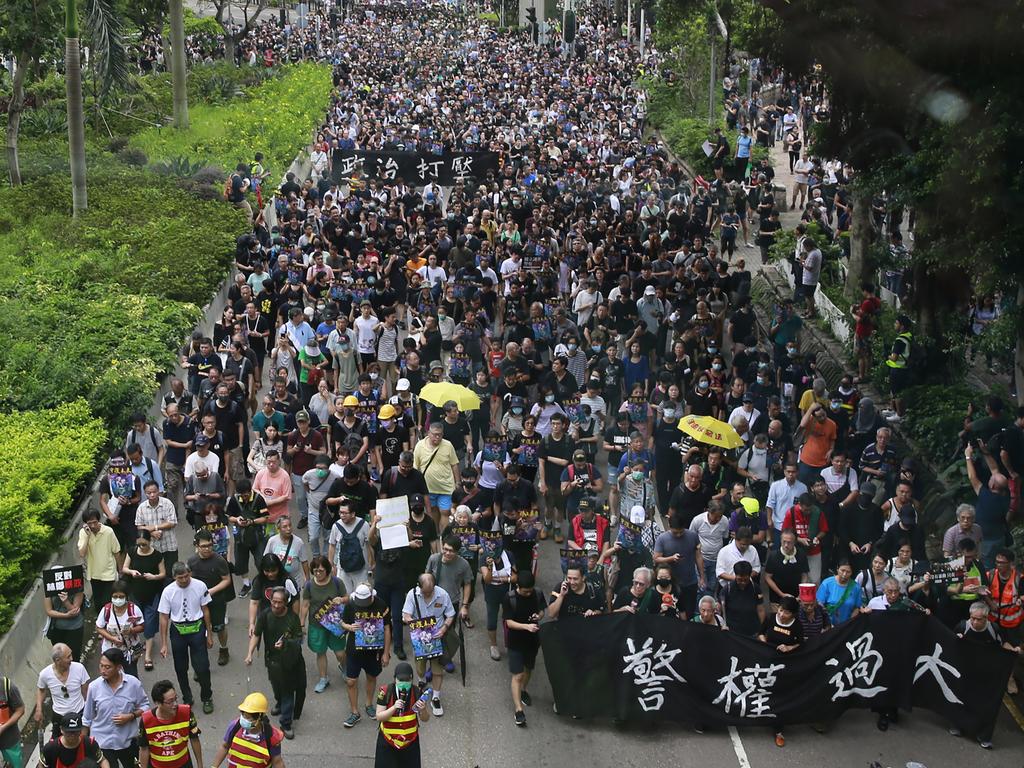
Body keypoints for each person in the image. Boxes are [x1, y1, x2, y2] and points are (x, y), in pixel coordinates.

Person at [245, 588, 305, 739]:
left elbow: (298, 640)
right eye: (274, 602)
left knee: (288, 691)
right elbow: (257, 634)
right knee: (276, 686)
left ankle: (286, 723)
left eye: (280, 602)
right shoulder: (265, 615)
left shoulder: (293, 618)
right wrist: (249, 653)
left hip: (291, 662)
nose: (276, 605)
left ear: (286, 603)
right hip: (272, 661)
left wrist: (286, 644)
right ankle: (279, 703)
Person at [157, 563, 214, 714]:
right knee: (181, 668)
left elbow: (205, 609)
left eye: (186, 576)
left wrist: (209, 633)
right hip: (178, 631)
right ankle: (187, 697)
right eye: (180, 577)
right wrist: (164, 644)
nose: (183, 580)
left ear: (190, 573)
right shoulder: (168, 591)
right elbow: (163, 617)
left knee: (202, 667)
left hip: (197, 629)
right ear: (174, 577)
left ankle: (207, 697)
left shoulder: (200, 586)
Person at [82, 649, 150, 768]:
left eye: (107, 667)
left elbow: (145, 706)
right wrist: (83, 745)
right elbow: (87, 718)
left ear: (118, 667)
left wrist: (131, 716)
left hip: (127, 741)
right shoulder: (94, 687)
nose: (103, 670)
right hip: (102, 742)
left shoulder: (133, 684)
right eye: (101, 666)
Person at [401, 573, 455, 717]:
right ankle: (421, 680)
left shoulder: (443, 594)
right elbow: (406, 615)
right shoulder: (412, 595)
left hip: (437, 637)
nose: (428, 594)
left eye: (431, 591)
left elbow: (450, 614)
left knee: (438, 670)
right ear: (419, 587)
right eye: (426, 592)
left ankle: (436, 697)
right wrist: (414, 624)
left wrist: (444, 628)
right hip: (419, 638)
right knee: (420, 668)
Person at [340, 584, 392, 728]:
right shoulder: (351, 604)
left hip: (374, 650)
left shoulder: (381, 604)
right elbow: (342, 622)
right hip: (354, 650)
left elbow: (387, 629)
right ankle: (354, 712)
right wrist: (348, 627)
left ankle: (369, 704)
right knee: (351, 681)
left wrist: (386, 653)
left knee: (371, 676)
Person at [501, 571, 547, 727]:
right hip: (515, 641)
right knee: (518, 674)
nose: (528, 594)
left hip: (532, 640)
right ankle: (518, 709)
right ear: (517, 586)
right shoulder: (510, 598)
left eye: (530, 590)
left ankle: (523, 691)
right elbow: (508, 622)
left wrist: (538, 617)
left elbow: (542, 610)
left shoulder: (538, 593)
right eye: (525, 591)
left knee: (528, 669)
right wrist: (526, 626)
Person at [758, 596, 804, 747]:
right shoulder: (771, 618)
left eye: (786, 612)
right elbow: (761, 633)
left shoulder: (797, 625)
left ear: (793, 614)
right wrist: (764, 644)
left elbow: (800, 643)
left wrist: (789, 648)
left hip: (784, 666)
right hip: (766, 662)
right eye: (780, 609)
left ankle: (778, 730)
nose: (781, 614)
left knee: (781, 696)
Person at [299, 556, 347, 694]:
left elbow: (348, 598)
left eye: (321, 570)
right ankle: (323, 678)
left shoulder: (337, 582)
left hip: (335, 623)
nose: (318, 574)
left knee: (340, 652)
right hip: (317, 625)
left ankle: (344, 667)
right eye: (315, 571)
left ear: (327, 570)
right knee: (320, 652)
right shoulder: (309, 585)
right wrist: (302, 623)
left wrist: (341, 599)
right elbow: (306, 604)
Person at [425, 538, 474, 671]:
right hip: (433, 603)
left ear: (457, 552)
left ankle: (446, 658)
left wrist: (464, 606)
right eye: (445, 549)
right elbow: (426, 578)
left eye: (451, 551)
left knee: (448, 633)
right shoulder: (434, 559)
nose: (446, 553)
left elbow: (467, 584)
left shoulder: (463, 564)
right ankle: (432, 664)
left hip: (452, 602)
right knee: (432, 633)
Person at [187, 530, 234, 667]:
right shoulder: (192, 561)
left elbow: (226, 580)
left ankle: (224, 649)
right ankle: (201, 659)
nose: (207, 549)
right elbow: (187, 579)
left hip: (217, 600)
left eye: (209, 545)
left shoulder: (219, 560)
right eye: (203, 546)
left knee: (219, 627)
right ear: (197, 546)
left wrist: (211, 591)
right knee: (199, 630)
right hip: (198, 602)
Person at [374, 662, 430, 768]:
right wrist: (394, 708)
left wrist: (423, 709)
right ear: (395, 679)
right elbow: (379, 716)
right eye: (401, 680)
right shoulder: (385, 691)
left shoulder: (417, 692)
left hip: (410, 743)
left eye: (407, 680)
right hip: (388, 741)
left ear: (412, 679)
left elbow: (425, 719)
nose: (404, 683)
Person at [209, 692, 285, 768]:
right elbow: (225, 747)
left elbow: (277, 762)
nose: (244, 719)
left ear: (260, 717)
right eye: (243, 714)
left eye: (248, 717)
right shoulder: (234, 727)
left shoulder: (271, 736)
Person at [137, 680, 202, 768]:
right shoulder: (146, 720)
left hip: (184, 764)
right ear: (157, 703)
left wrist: (200, 765)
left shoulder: (186, 713)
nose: (175, 704)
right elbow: (144, 749)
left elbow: (194, 740)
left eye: (176, 699)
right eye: (170, 701)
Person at [224, 480, 269, 599]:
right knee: (240, 562)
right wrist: (237, 520)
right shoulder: (234, 500)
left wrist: (252, 521)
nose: (244, 497)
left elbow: (265, 518)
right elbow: (229, 517)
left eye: (246, 495)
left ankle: (263, 584)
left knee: (261, 561)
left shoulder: (259, 499)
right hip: (240, 537)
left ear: (250, 491)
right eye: (241, 495)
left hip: (257, 536)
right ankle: (246, 584)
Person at [654, 514, 704, 617]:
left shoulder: (693, 536)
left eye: (681, 532)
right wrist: (671, 559)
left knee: (689, 611)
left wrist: (702, 577)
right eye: (675, 532)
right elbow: (656, 558)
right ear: (669, 526)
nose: (678, 535)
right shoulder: (662, 539)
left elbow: (698, 556)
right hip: (671, 584)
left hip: (690, 582)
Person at [35, 644, 89, 739]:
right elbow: (41, 690)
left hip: (79, 711)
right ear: (58, 660)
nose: (72, 658)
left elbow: (85, 691)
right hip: (59, 715)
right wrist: (39, 709)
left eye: (71, 655)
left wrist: (89, 709)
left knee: (81, 741)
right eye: (68, 657)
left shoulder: (79, 668)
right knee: (58, 743)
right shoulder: (45, 674)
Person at [413, 423, 461, 531]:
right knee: (432, 510)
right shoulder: (420, 446)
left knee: (445, 512)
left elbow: (454, 464)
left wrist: (458, 482)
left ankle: (443, 536)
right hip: (428, 488)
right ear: (428, 433)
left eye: (440, 435)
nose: (437, 437)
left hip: (446, 487)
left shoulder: (448, 445)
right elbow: (416, 467)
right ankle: (435, 533)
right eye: (434, 435)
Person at [94, 581, 145, 679]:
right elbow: (99, 628)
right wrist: (112, 638)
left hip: (129, 651)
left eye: (121, 597)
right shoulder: (106, 610)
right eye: (115, 596)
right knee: (110, 677)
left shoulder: (133, 610)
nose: (118, 599)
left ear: (126, 597)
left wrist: (131, 631)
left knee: (131, 677)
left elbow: (142, 626)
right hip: (110, 651)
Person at [78, 509, 122, 612]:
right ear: (85, 524)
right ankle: (101, 625)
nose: (93, 526)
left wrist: (120, 571)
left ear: (99, 520)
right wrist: (87, 537)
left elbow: (116, 551)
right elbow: (82, 553)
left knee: (107, 603)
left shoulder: (108, 531)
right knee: (98, 604)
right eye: (89, 523)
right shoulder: (83, 533)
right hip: (94, 574)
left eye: (95, 522)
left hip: (109, 573)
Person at [134, 481, 179, 576]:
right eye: (149, 493)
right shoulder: (141, 508)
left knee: (171, 575)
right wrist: (151, 533)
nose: (152, 495)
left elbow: (172, 522)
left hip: (169, 546)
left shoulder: (167, 503)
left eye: (154, 492)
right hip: (152, 548)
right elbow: (139, 526)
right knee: (154, 575)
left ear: (158, 491)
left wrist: (155, 527)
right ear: (145, 493)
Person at [763, 529, 810, 608]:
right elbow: (767, 577)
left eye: (789, 542)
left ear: (795, 542)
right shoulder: (773, 556)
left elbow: (804, 574)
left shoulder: (801, 554)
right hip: (777, 600)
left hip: (796, 598)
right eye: (784, 541)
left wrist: (801, 592)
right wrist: (781, 594)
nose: (786, 545)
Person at [41, 714, 109, 768]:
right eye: (69, 732)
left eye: (75, 732)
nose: (72, 735)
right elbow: (41, 765)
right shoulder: (50, 748)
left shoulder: (89, 744)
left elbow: (102, 761)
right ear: (61, 730)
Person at [720, 560, 764, 637]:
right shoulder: (727, 589)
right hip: (733, 632)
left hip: (752, 631)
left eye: (745, 580)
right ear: (735, 575)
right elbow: (721, 611)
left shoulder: (756, 588)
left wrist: (762, 630)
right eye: (739, 580)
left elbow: (760, 610)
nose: (743, 582)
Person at [816, 560, 862, 625]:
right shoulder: (827, 583)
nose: (844, 574)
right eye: (842, 570)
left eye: (848, 572)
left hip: (846, 626)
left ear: (852, 572)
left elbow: (857, 608)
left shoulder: (856, 587)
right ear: (837, 569)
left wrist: (849, 623)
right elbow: (819, 604)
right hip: (829, 625)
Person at [0, 673, 24, 768]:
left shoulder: (7, 686)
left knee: (15, 763)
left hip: (9, 738)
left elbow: (20, 710)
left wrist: (3, 728)